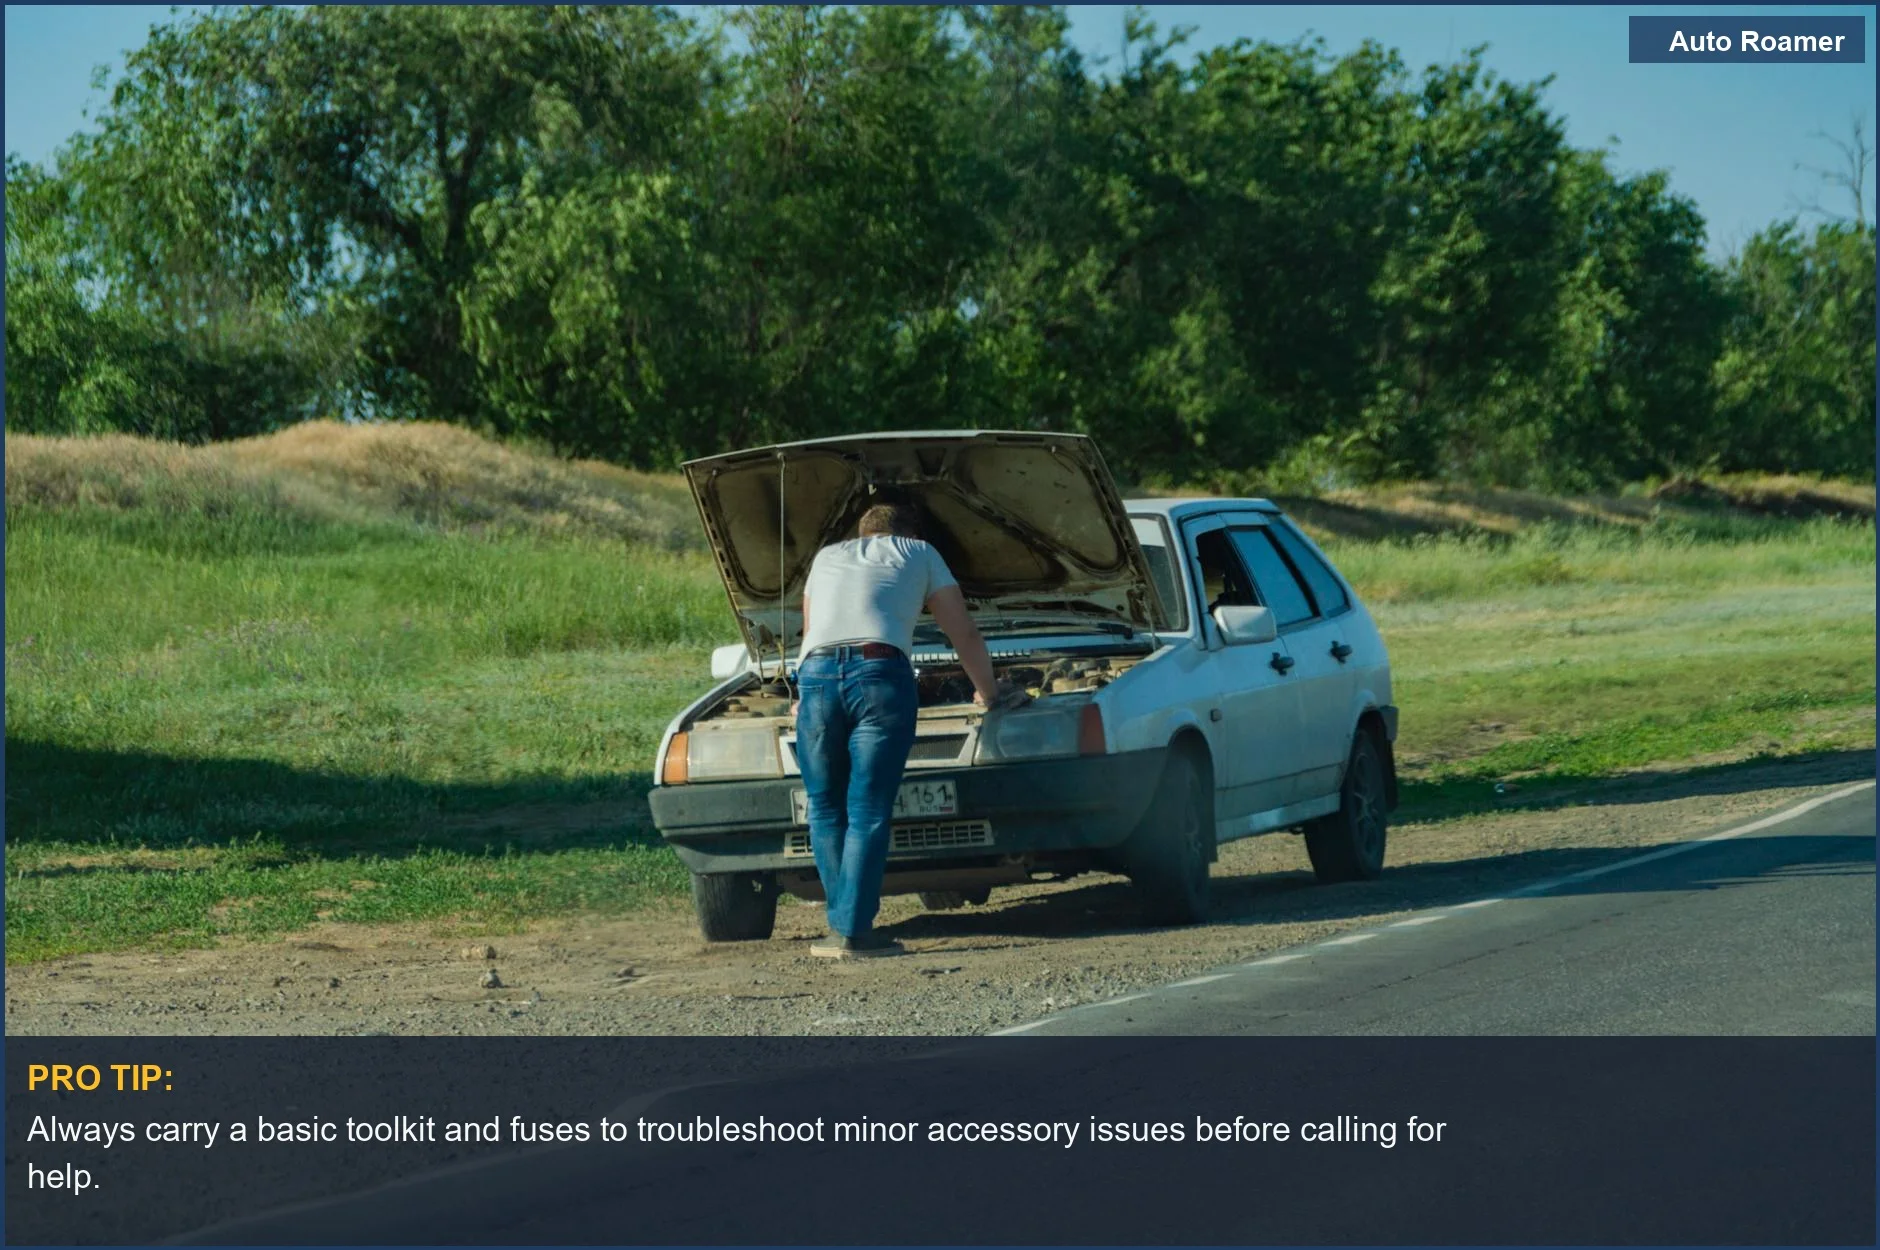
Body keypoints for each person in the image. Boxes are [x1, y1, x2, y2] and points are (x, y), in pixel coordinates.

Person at [793, 502, 1022, 959]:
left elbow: (811, 630)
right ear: (909, 531)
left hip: (815, 676)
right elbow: (964, 633)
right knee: (868, 809)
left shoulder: (825, 557)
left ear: (862, 534)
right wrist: (989, 691)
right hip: (879, 675)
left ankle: (842, 926)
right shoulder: (919, 552)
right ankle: (854, 931)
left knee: (823, 806)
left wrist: (800, 695)